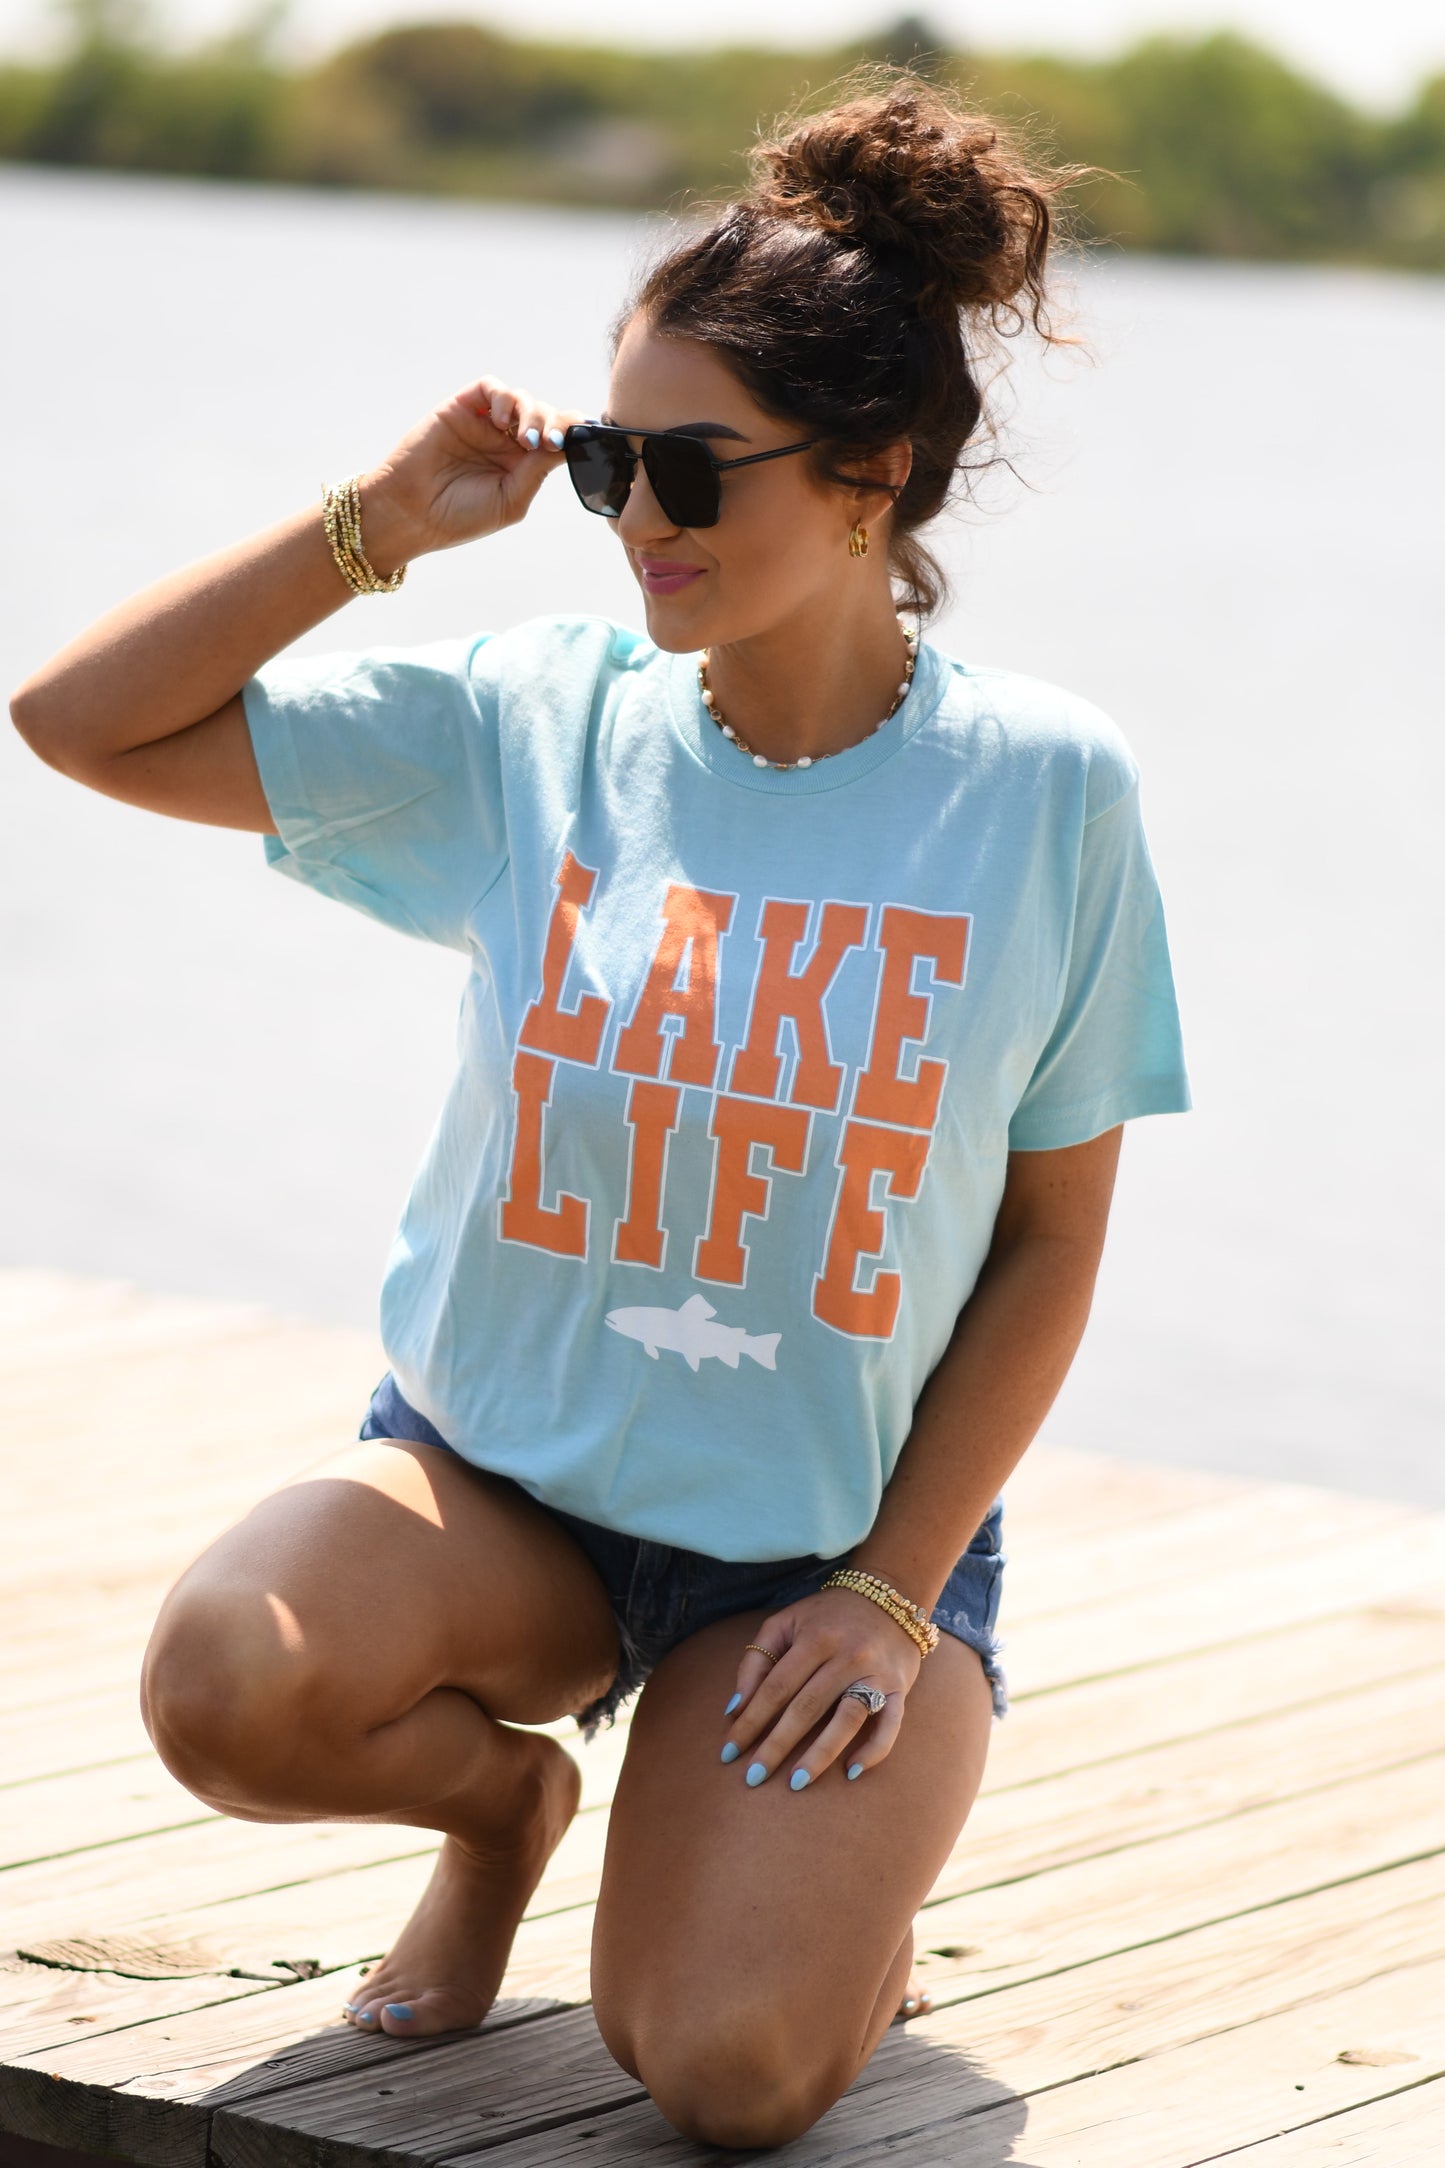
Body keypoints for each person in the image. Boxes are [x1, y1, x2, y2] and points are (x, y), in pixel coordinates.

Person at [10, 70, 1190, 2153]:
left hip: (821, 1558)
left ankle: (815, 1876)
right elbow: (79, 720)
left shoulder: (1041, 793)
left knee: (727, 2069)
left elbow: (1048, 1244)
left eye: (693, 468)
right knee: (228, 1679)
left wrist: (890, 1591)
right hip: (499, 1497)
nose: (642, 515)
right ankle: (506, 1812)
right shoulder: (534, 722)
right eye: (609, 461)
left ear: (872, 475)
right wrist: (377, 524)